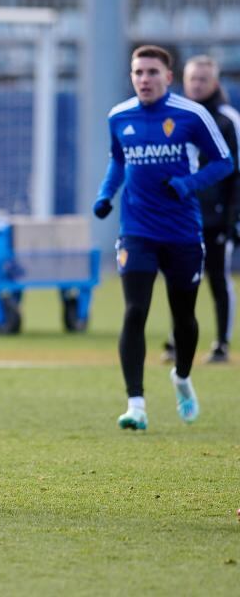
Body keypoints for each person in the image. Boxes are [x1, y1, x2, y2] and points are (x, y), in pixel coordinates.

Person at [93, 45, 233, 431]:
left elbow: (225, 162)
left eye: (152, 72)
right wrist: (106, 195)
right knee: (135, 311)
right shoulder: (119, 116)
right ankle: (135, 404)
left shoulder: (192, 115)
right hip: (136, 231)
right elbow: (118, 161)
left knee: (184, 316)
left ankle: (183, 378)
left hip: (183, 233)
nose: (144, 79)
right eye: (138, 73)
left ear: (168, 77)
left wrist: (188, 185)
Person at [161, 55, 239, 364]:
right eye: (192, 79)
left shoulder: (227, 119)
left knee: (217, 278)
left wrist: (234, 216)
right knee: (179, 278)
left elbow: (236, 173)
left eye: (203, 79)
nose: (196, 84)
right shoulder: (176, 117)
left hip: (217, 216)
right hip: (182, 217)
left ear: (215, 83)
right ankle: (177, 339)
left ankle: (221, 343)